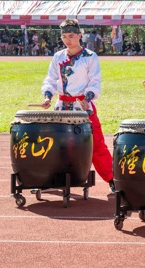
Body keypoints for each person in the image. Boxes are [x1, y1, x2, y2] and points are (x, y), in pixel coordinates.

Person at [38, 19, 115, 191]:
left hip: (82, 107)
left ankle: (112, 179)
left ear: (80, 35)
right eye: (64, 36)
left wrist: (88, 98)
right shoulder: (58, 56)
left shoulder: (90, 57)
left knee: (95, 144)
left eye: (71, 36)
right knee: (57, 144)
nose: (67, 40)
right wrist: (48, 96)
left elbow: (95, 81)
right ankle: (53, 177)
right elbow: (50, 79)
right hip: (61, 107)